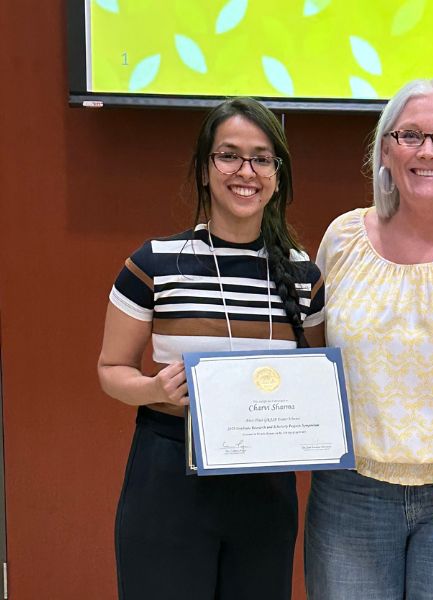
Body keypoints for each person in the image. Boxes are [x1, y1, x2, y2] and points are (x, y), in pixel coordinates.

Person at [97, 97, 324, 600]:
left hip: (264, 486)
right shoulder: (153, 263)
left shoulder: (304, 275)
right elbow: (111, 369)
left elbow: (317, 384)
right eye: (229, 155)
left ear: (278, 175)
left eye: (262, 158)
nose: (246, 171)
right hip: (169, 473)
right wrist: (153, 386)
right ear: (204, 170)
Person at [304, 79, 433, 599]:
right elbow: (312, 355)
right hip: (351, 492)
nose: (427, 151)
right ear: (385, 152)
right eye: (410, 135)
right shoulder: (343, 238)